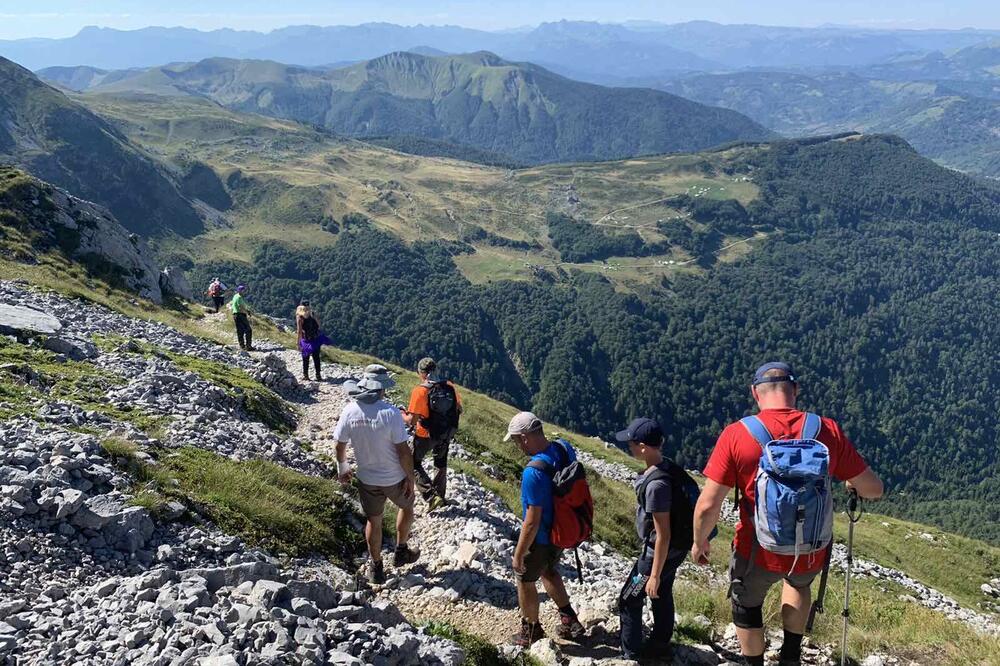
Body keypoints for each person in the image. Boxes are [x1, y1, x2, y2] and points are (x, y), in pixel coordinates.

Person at [691, 362, 884, 666]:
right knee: (797, 585)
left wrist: (700, 541)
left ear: (756, 393)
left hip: (756, 549)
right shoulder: (826, 431)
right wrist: (850, 480)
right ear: (795, 390)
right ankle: (790, 657)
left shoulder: (737, 435)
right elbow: (874, 489)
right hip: (809, 548)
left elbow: (707, 505)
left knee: (746, 604)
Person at [613, 417, 698, 663]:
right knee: (661, 593)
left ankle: (631, 654)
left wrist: (654, 574)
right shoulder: (668, 467)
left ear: (643, 447)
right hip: (677, 550)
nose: (628, 446)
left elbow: (663, 534)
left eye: (631, 442)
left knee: (630, 598)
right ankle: (660, 645)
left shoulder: (657, 486)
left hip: (655, 556)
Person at [505, 411, 586, 647]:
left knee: (524, 578)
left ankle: (530, 631)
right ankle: (569, 619)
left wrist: (519, 554)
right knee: (548, 570)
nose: (516, 445)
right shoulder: (563, 448)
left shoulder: (533, 472)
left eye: (516, 440)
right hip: (562, 531)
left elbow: (532, 520)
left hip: (541, 537)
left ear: (525, 437)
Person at [334, 366, 420, 584]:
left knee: (374, 520)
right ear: (381, 388)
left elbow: (339, 444)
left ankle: (376, 566)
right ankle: (401, 550)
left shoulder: (350, 410)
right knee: (407, 506)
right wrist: (410, 479)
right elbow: (403, 452)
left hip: (366, 478)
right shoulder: (390, 413)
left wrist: (342, 468)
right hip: (394, 478)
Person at [402, 357, 462, 510]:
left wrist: (401, 413)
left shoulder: (420, 391)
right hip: (445, 433)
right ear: (436, 370)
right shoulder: (450, 386)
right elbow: (458, 409)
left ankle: (431, 495)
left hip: (425, 434)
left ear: (421, 373)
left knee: (413, 463)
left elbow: (412, 420)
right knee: (440, 464)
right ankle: (440, 497)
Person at [295, 301, 331, 381]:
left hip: (306, 340)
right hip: (316, 339)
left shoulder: (300, 316)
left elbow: (299, 331)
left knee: (305, 357)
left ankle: (306, 375)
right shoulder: (312, 314)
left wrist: (298, 343)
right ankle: (318, 375)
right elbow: (319, 325)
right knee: (316, 357)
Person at [230, 284, 254, 351]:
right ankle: (248, 346)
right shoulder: (239, 297)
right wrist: (247, 311)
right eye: (243, 290)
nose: (244, 292)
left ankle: (242, 346)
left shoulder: (235, 296)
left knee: (240, 331)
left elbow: (234, 305)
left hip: (235, 315)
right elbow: (240, 306)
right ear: (240, 291)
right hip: (240, 314)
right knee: (248, 330)